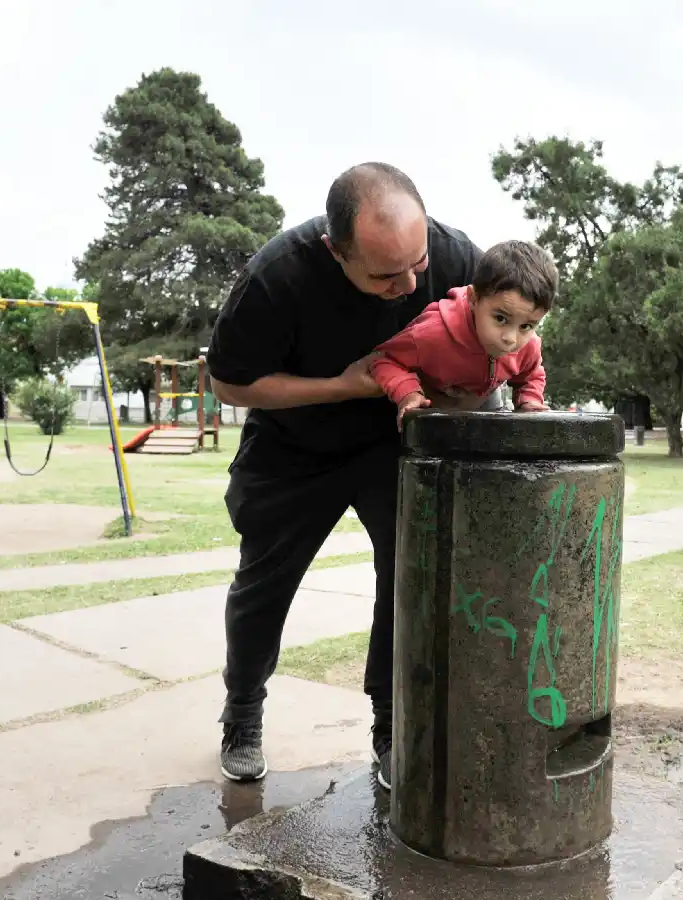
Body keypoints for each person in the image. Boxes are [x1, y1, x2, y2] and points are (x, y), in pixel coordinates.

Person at [206, 162, 488, 789]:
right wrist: (344, 384)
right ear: (336, 249)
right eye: (387, 274)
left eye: (416, 264)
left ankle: (391, 727)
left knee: (406, 583)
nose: (411, 284)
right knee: (263, 587)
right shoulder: (277, 275)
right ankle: (243, 713)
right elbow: (229, 383)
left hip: (393, 447)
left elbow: (502, 330)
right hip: (294, 445)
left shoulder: (452, 255)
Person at [370, 239, 557, 429]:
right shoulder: (432, 334)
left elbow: (530, 374)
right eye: (501, 318)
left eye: (526, 326)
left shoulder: (529, 345)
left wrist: (529, 402)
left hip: (485, 401)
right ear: (473, 299)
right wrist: (409, 393)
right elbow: (384, 360)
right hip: (434, 408)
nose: (510, 338)